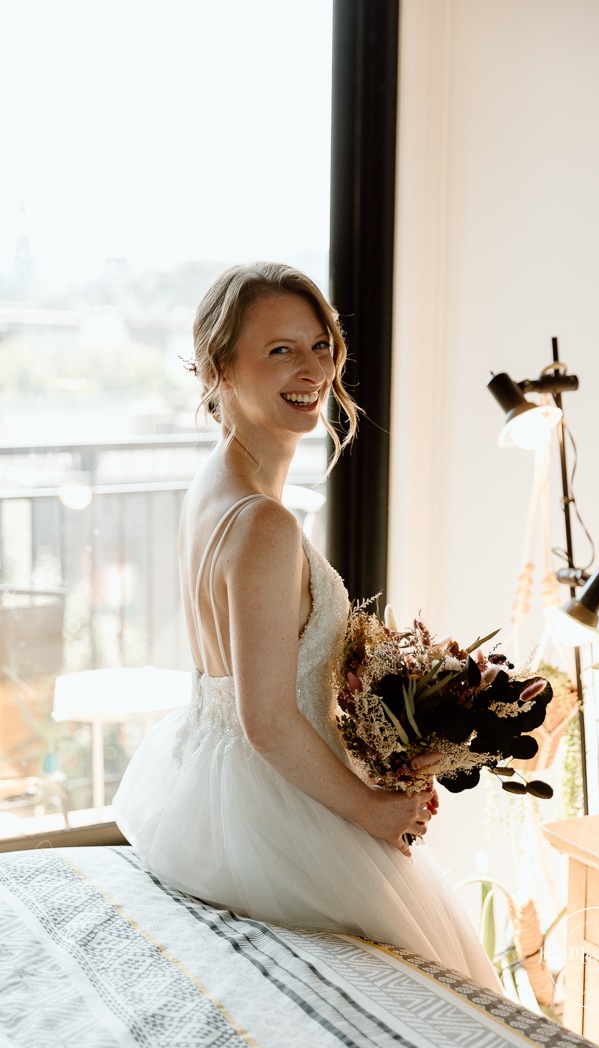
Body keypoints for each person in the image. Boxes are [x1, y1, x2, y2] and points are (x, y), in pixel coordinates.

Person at [113, 262, 500, 988]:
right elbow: (266, 721)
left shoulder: (215, 483)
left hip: (204, 781)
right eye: (280, 350)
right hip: (266, 803)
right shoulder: (261, 523)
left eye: (320, 344)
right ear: (219, 367)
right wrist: (370, 813)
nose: (312, 368)